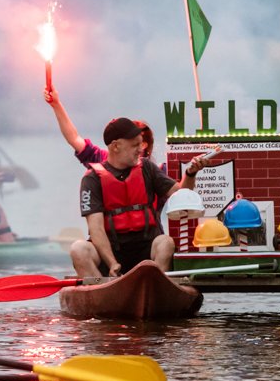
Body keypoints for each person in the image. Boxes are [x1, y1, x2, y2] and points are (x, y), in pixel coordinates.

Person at [70, 117, 204, 280]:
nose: (140, 149)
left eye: (140, 144)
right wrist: (112, 262)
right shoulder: (92, 179)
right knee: (78, 249)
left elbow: (182, 194)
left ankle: (156, 287)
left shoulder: (147, 168)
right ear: (116, 146)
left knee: (165, 242)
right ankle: (101, 290)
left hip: (145, 249)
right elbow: (96, 228)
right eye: (135, 145)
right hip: (111, 251)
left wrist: (191, 173)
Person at [43, 87, 153, 168]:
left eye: (137, 141)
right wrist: (56, 105)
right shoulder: (104, 161)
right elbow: (74, 139)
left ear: (144, 145)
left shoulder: (156, 174)